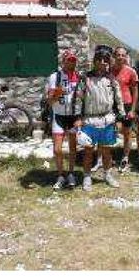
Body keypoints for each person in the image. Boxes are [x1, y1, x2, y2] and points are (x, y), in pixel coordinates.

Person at [73, 46, 124, 191]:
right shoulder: (85, 78)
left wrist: (120, 118)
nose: (102, 62)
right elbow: (78, 99)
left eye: (105, 60)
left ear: (108, 62)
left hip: (107, 119)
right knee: (88, 150)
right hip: (89, 120)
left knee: (107, 150)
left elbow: (118, 99)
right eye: (99, 59)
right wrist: (77, 117)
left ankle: (107, 175)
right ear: (94, 61)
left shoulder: (111, 79)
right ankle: (87, 177)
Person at [42, 49, 81, 190]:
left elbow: (83, 99)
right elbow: (50, 101)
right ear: (63, 61)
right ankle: (60, 175)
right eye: (68, 60)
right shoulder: (55, 77)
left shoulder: (79, 76)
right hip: (58, 116)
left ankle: (70, 173)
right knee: (57, 149)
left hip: (73, 117)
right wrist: (58, 93)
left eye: (73, 60)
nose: (71, 63)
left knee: (72, 148)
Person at [112, 46, 138, 170]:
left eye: (123, 55)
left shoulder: (131, 71)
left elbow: (135, 91)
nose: (120, 57)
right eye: (118, 55)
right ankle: (106, 157)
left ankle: (125, 157)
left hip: (127, 104)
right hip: (112, 105)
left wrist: (133, 109)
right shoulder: (109, 71)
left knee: (127, 133)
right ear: (114, 56)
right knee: (111, 130)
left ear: (126, 56)